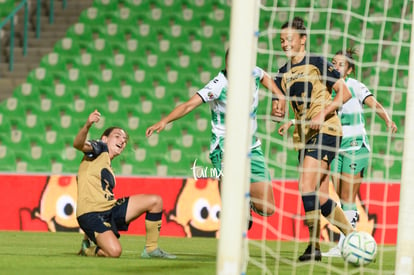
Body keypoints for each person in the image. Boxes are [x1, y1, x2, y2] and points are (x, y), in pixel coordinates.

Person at [146, 49, 286, 228]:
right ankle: (234, 200)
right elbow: (189, 105)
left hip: (251, 147)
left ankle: (246, 200)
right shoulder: (219, 84)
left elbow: (266, 78)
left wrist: (279, 96)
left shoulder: (254, 73)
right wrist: (164, 121)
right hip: (225, 147)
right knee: (233, 205)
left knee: (268, 208)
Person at [274, 17, 355, 262]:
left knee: (305, 186)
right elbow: (281, 105)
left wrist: (322, 113)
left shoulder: (318, 62)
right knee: (319, 196)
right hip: (304, 136)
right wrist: (279, 113)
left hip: (327, 130)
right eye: (281, 40)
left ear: (302, 39)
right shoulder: (282, 73)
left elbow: (345, 93)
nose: (284, 44)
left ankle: (330, 242)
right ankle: (341, 240)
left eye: (289, 39)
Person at [320, 49, 397, 257]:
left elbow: (374, 103)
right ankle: (344, 241)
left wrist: (387, 119)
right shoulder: (327, 89)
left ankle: (345, 243)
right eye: (333, 63)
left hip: (356, 146)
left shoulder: (354, 86)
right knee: (336, 195)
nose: (335, 67)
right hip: (336, 146)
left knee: (347, 196)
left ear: (349, 69)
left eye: (341, 64)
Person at [74, 109, 176, 259]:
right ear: (104, 139)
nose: (122, 140)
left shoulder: (106, 165)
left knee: (155, 201)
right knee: (114, 252)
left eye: (124, 139)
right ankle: (87, 251)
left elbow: (92, 192)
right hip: (91, 215)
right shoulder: (99, 148)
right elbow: (78, 144)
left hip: (109, 209)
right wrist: (88, 125)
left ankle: (151, 249)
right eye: (117, 136)